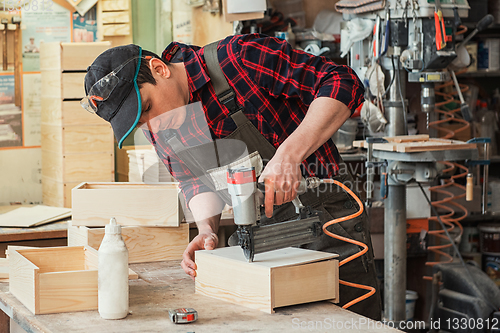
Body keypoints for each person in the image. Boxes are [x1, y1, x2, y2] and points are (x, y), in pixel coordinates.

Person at [82, 34, 382, 320]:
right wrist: (206, 230)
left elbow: (342, 81)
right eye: (140, 123)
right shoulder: (163, 125)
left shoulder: (237, 59)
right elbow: (193, 181)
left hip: (327, 226)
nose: (153, 127)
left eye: (147, 107)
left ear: (159, 69)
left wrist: (290, 154)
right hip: (262, 245)